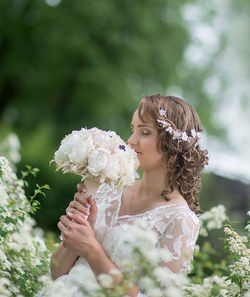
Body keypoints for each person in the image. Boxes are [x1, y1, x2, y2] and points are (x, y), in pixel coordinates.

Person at [50, 94, 209, 296]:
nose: (131, 141)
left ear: (172, 144)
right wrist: (75, 235)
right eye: (133, 130)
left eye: (145, 132)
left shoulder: (180, 220)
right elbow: (57, 272)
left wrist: (91, 250)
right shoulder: (108, 187)